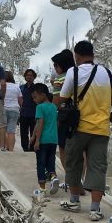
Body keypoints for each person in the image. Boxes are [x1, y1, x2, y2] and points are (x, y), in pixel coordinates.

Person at [56, 40, 112, 222]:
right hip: (101, 128)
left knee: (74, 162)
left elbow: (63, 97)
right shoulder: (107, 72)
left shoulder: (73, 72)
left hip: (78, 126)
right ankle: (95, 209)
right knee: (98, 166)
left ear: (77, 56)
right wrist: (102, 106)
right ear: (93, 54)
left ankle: (75, 201)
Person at [50, 49, 75, 179]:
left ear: (62, 65)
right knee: (80, 149)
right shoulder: (78, 75)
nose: (55, 68)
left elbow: (56, 102)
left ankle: (70, 176)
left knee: (63, 147)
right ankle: (81, 176)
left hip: (64, 117)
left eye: (56, 65)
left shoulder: (59, 79)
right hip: (80, 115)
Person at [31, 83, 59, 193]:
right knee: (50, 162)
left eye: (35, 97)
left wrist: (37, 140)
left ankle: (42, 189)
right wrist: (33, 135)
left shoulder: (40, 107)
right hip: (53, 140)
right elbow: (56, 123)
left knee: (41, 163)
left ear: (43, 95)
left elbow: (40, 123)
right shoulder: (53, 107)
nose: (34, 100)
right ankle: (53, 177)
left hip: (43, 140)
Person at [18, 69, 38, 152]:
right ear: (25, 77)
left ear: (34, 77)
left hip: (34, 114)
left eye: (31, 75)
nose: (29, 77)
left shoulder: (37, 88)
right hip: (23, 113)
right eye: (28, 75)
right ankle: (25, 148)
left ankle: (32, 148)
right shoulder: (21, 88)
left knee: (33, 132)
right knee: (23, 133)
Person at [3, 71, 22, 152]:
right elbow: (20, 100)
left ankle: (4, 147)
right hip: (14, 109)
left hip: (3, 108)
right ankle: (10, 150)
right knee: (11, 131)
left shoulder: (2, 86)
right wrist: (19, 108)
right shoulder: (17, 87)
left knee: (3, 130)